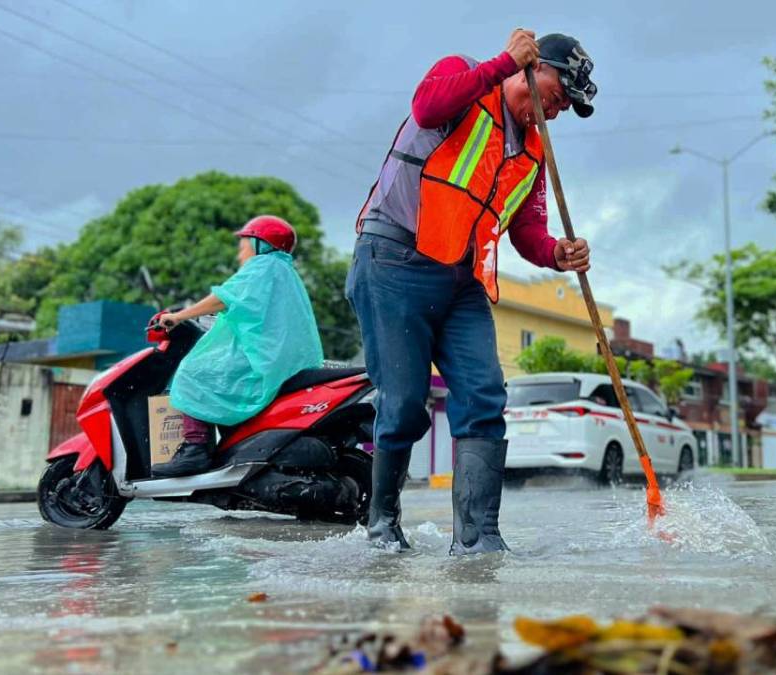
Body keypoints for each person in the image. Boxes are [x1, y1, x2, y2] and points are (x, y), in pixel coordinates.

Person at [347, 29, 596, 554]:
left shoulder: (533, 154)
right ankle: (382, 524)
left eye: (568, 107)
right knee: (405, 406)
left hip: (461, 281)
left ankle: (479, 538)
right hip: (393, 259)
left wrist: (556, 253)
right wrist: (502, 62)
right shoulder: (462, 75)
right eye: (558, 96)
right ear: (534, 67)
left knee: (484, 397)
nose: (558, 113)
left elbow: (528, 231)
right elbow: (427, 105)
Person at [152, 215, 325, 478]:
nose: (240, 252)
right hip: (283, 360)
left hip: (263, 360)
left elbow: (223, 299)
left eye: (244, 243)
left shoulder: (263, 267)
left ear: (261, 244)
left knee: (192, 373)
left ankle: (195, 448)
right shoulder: (284, 273)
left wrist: (178, 316)